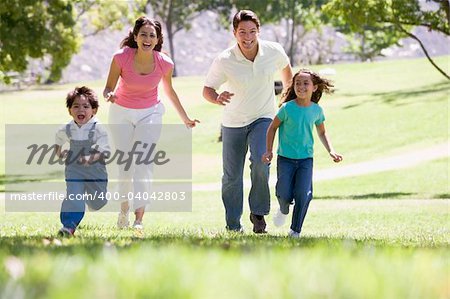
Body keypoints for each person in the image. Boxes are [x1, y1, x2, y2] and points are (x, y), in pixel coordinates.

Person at [103, 16, 199, 229]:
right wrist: (108, 95)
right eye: (143, 34)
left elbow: (169, 91)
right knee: (125, 166)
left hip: (150, 113)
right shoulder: (121, 57)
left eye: (152, 35)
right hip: (121, 112)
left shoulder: (164, 63)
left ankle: (139, 220)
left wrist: (185, 119)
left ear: (157, 40)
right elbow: (108, 87)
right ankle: (124, 210)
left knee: (144, 164)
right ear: (135, 37)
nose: (147, 38)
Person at [203, 10, 293, 233]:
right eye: (242, 32)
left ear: (259, 31)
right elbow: (207, 89)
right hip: (233, 122)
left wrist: (288, 98)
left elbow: (286, 69)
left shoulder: (273, 51)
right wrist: (216, 98)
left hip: (263, 118)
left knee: (262, 162)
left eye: (252, 31)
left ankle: (258, 213)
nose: (248, 37)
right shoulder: (225, 60)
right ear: (234, 33)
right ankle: (233, 225)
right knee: (232, 177)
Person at [262, 69, 343, 238]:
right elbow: (272, 128)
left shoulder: (316, 110)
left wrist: (331, 151)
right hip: (285, 159)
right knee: (283, 194)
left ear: (314, 87)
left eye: (306, 83)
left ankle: (295, 230)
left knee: (303, 194)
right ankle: (283, 209)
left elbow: (322, 132)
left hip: (306, 160)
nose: (301, 86)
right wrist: (268, 150)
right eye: (297, 83)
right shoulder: (286, 108)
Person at [55, 86, 110, 237]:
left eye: (86, 106)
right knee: (74, 195)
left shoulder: (98, 129)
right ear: (70, 110)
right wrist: (59, 152)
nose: (81, 110)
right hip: (74, 169)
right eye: (76, 106)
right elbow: (58, 139)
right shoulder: (68, 128)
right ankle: (69, 226)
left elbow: (105, 150)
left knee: (98, 202)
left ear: (94, 110)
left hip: (95, 171)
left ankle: (92, 200)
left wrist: (90, 158)